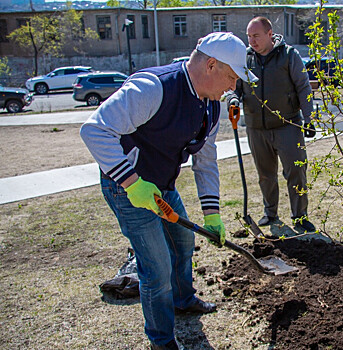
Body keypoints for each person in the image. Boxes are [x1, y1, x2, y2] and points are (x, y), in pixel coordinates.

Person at [80, 32, 258, 350]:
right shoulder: (154, 87)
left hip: (161, 187)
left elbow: (205, 161)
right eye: (232, 77)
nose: (233, 86)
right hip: (127, 188)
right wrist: (132, 183)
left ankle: (183, 299)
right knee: (157, 266)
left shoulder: (212, 108)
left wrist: (213, 215)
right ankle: (162, 340)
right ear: (212, 65)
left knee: (183, 241)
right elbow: (95, 129)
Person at [226, 16, 316, 232]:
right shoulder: (244, 59)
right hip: (257, 128)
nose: (252, 41)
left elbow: (303, 87)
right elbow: (233, 87)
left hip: (287, 125)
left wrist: (309, 118)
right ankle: (270, 213)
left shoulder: (288, 56)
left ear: (269, 34)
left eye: (256, 36)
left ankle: (300, 216)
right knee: (265, 175)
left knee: (296, 172)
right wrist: (233, 100)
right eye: (249, 36)